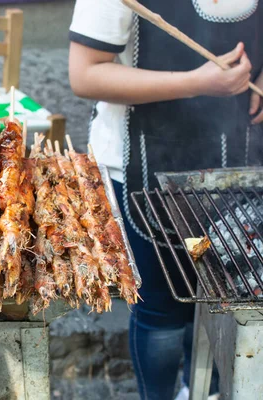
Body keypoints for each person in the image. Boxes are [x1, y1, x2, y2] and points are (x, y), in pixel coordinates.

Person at [68, 1, 262, 399]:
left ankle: (205, 390)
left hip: (242, 166)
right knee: (164, 306)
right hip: (144, 162)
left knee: (224, 302)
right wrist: (197, 83)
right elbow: (85, 73)